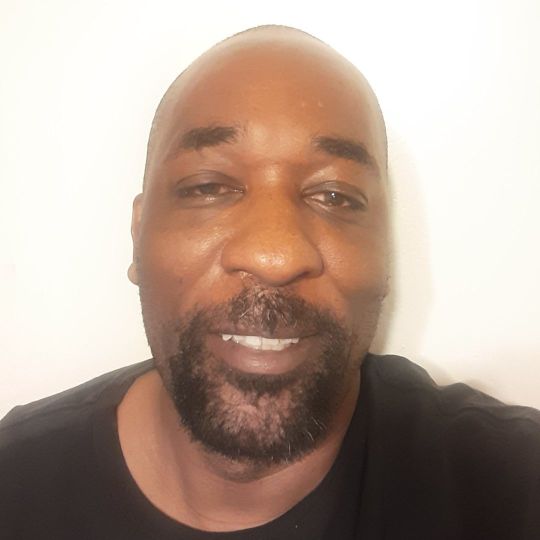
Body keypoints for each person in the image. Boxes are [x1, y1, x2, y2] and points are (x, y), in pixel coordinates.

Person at [1, 25, 539, 539]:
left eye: (336, 196)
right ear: (138, 235)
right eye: (208, 187)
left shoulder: (508, 486)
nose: (275, 256)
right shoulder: (16, 482)